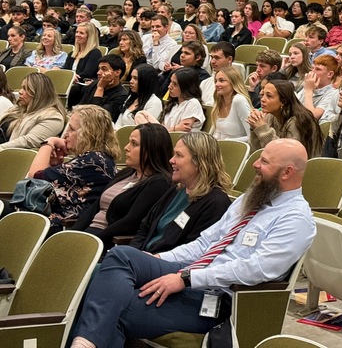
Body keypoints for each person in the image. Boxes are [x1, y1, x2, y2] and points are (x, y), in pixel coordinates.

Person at [68, 138, 315, 348]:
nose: (255, 164)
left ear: (287, 173)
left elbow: (257, 269)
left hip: (219, 297)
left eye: (265, 162)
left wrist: (187, 278)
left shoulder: (295, 219)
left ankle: (85, 341)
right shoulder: (250, 198)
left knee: (115, 306)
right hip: (193, 274)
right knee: (122, 256)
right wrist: (161, 260)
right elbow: (205, 243)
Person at [72, 123, 174, 251]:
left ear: (152, 149)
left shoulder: (159, 183)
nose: (126, 148)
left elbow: (130, 222)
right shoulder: (126, 172)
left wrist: (92, 241)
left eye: (134, 144)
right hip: (90, 234)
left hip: (106, 241)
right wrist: (72, 234)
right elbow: (95, 207)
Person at [130, 132, 233, 253]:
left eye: (178, 155)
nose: (171, 160)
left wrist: (146, 259)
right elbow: (145, 228)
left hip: (167, 266)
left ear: (199, 162)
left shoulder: (215, 203)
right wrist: (132, 253)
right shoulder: (176, 190)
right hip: (141, 258)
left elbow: (193, 252)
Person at [22, 105, 119, 230]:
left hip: (61, 226)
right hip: (53, 219)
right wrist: (54, 165)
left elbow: (34, 178)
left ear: (88, 133)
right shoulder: (98, 158)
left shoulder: (91, 161)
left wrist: (48, 143)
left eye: (72, 129)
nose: (66, 134)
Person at [248, 79, 323, 157]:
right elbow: (254, 153)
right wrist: (254, 129)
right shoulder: (270, 116)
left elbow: (286, 156)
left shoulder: (297, 121)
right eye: (263, 95)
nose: (262, 99)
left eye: (269, 96)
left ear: (283, 101)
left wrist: (263, 129)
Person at [0, 72, 67, 150]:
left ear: (38, 93)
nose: (20, 92)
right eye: (22, 88)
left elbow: (28, 141)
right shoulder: (18, 109)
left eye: (25, 89)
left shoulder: (53, 117)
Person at [138, 68, 205, 133]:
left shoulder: (193, 103)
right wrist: (173, 129)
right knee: (141, 114)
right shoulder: (174, 103)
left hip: (179, 141)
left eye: (175, 84)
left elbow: (181, 131)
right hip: (166, 135)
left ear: (186, 87)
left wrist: (172, 129)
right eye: (170, 82)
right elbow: (165, 127)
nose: (169, 86)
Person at [72, 54, 130, 120]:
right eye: (99, 69)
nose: (98, 72)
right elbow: (81, 107)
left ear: (117, 72)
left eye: (104, 69)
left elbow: (97, 118)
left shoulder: (121, 95)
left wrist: (100, 88)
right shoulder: (94, 84)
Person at [208, 66, 252, 142]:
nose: (217, 84)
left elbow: (252, 137)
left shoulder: (239, 100)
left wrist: (227, 142)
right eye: (216, 81)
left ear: (233, 82)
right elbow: (217, 133)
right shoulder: (219, 101)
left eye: (221, 81)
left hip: (235, 150)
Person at [116, 64, 163, 128]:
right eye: (131, 77)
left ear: (145, 81)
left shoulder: (154, 102)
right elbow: (119, 123)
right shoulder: (131, 98)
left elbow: (147, 130)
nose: (131, 81)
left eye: (135, 78)